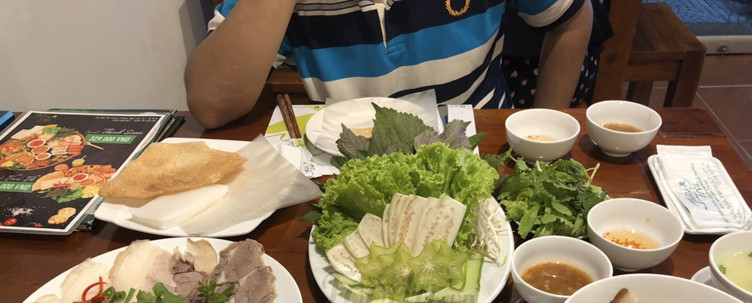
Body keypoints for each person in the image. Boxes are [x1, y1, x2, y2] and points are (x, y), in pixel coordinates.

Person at [185, 0, 594, 129]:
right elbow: (211, 103)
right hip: (346, 165)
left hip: (479, 148)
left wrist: (546, 129)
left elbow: (572, 17)